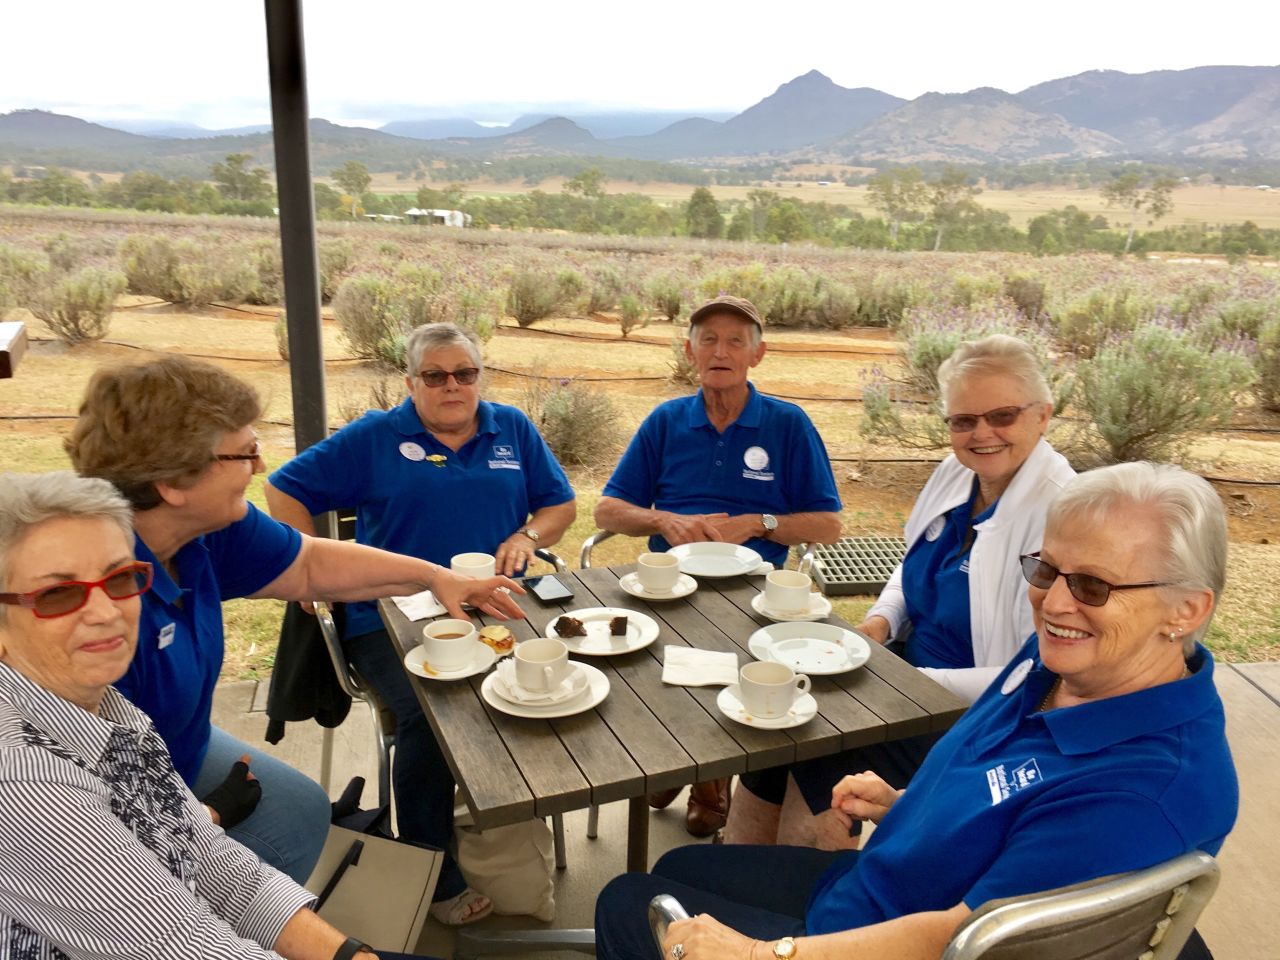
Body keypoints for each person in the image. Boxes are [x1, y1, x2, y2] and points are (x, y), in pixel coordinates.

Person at [595, 461, 1236, 960]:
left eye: (1093, 585)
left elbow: (967, 939)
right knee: (676, 869)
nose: (1055, 604)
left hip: (899, 936)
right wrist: (906, 806)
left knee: (630, 902)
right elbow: (1000, 807)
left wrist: (763, 952)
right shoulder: (1063, 665)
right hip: (877, 886)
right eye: (1045, 571)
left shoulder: (1146, 790)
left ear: (1186, 611)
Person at [64, 355, 524, 899]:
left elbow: (308, 563)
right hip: (120, 793)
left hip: (175, 743)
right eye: (246, 453)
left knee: (304, 809)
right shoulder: (89, 610)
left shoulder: (205, 534)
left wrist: (433, 577)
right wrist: (206, 817)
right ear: (172, 481)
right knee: (260, 868)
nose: (259, 469)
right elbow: (79, 821)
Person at [0, 471, 434, 960]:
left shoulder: (109, 710)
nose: (106, 612)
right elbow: (184, 944)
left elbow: (209, 858)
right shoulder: (25, 781)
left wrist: (349, 954)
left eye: (121, 578)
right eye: (58, 594)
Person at [264, 321, 576, 923]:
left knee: (550, 684)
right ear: (411, 382)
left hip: (494, 602)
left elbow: (559, 504)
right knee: (436, 712)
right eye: (436, 375)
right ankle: (432, 871)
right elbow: (284, 487)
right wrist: (308, 563)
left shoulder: (510, 426)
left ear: (480, 377)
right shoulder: (376, 437)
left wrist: (526, 534)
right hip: (389, 614)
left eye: (465, 373)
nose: (452, 386)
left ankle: (510, 829)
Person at [728, 334, 1074, 848]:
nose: (982, 433)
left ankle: (806, 898)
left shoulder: (1062, 513)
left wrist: (909, 681)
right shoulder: (958, 474)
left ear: (1042, 415)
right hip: (905, 679)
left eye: (1002, 415)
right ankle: (731, 880)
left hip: (978, 716)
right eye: (963, 420)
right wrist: (881, 622)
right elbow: (913, 565)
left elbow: (1037, 671)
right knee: (779, 735)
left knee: (823, 751)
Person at [594, 294, 843, 837]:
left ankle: (710, 781)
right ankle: (668, 761)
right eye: (708, 339)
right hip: (668, 584)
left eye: (736, 340)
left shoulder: (787, 424)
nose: (720, 350)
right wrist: (664, 521)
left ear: (758, 354)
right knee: (637, 665)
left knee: (731, 659)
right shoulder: (666, 421)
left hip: (754, 591)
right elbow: (607, 509)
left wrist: (760, 523)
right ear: (689, 352)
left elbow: (828, 525)